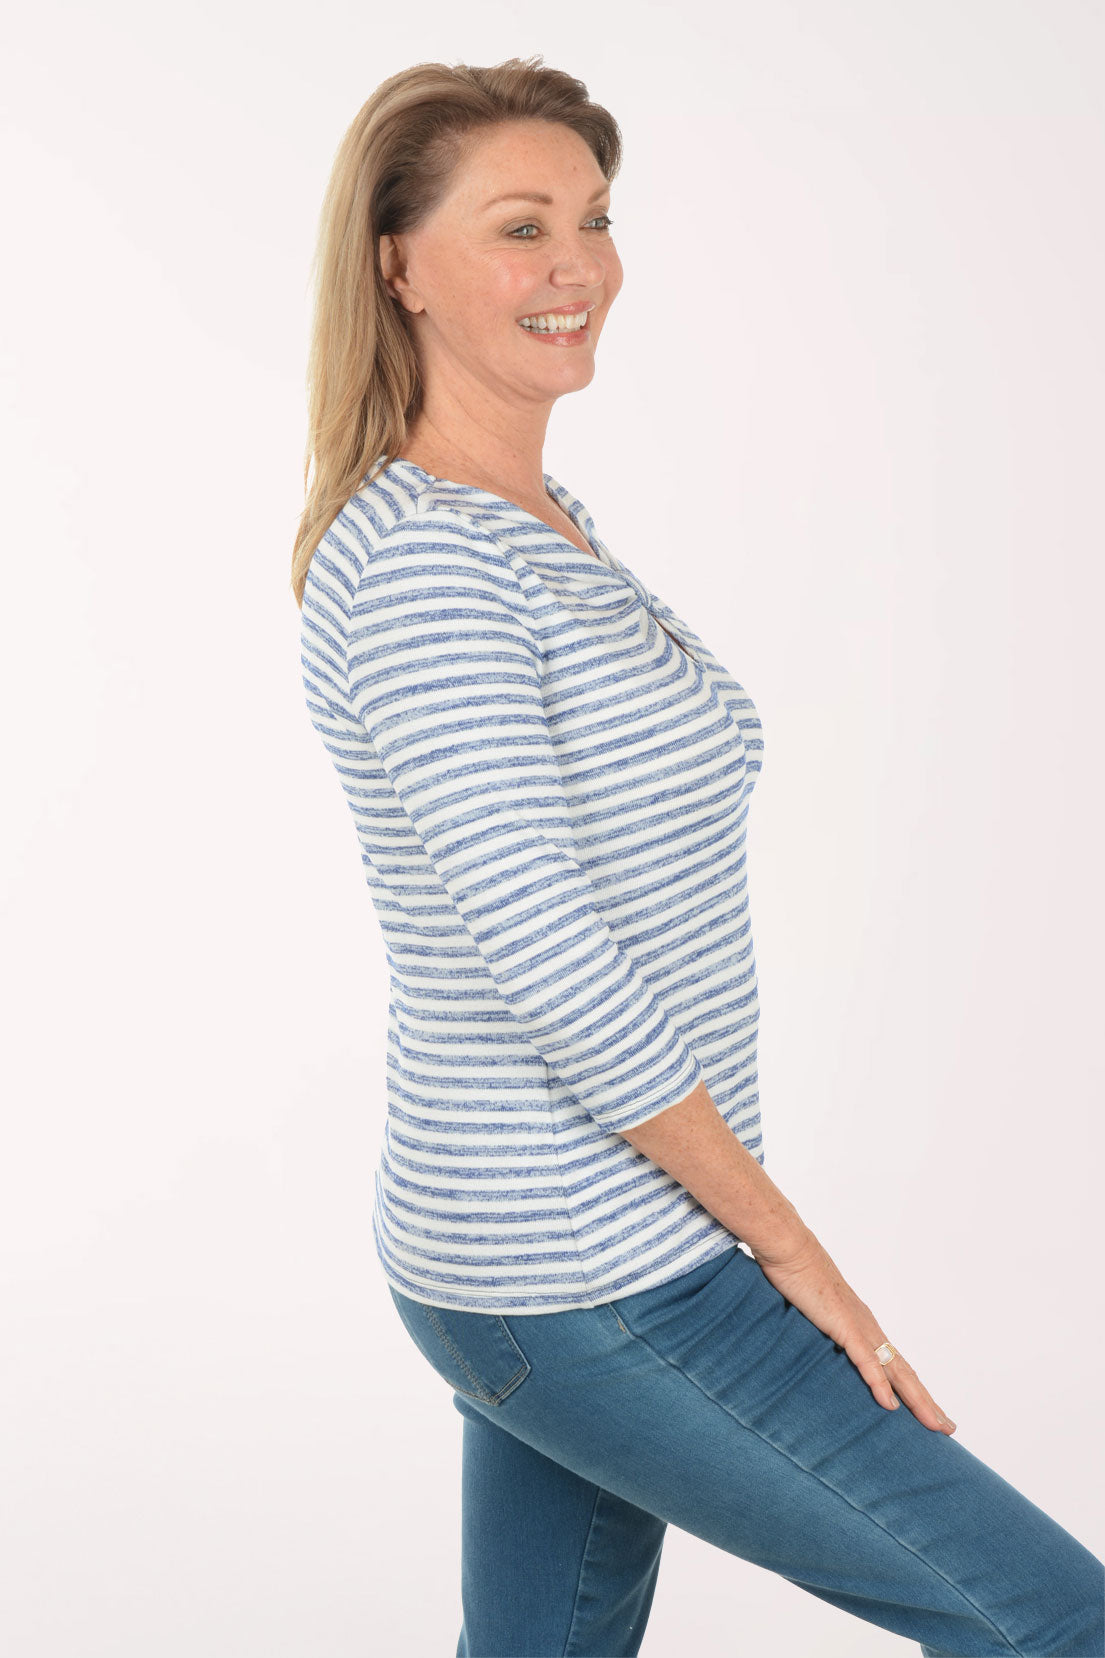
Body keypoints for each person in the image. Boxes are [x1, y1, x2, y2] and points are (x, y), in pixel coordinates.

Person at [291, 54, 1104, 1658]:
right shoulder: (422, 572)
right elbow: (555, 971)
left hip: (582, 1247)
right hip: (582, 1271)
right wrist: (795, 1253)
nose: (576, 267)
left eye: (593, 219)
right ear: (398, 264)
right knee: (1050, 1625)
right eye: (519, 226)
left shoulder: (536, 517)